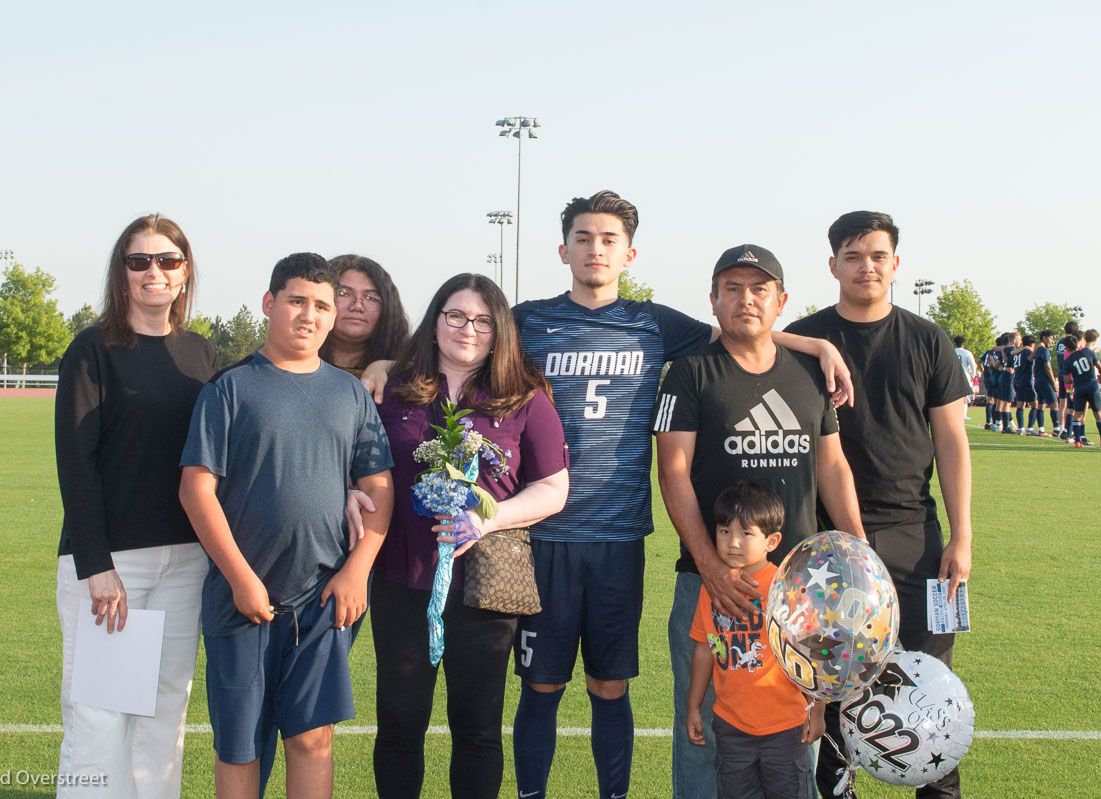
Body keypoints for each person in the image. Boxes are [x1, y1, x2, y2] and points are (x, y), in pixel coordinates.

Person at [360, 191, 852, 798]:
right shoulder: (529, 320)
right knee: (540, 686)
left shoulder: (654, 323)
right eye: (584, 238)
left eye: (609, 240)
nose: (596, 249)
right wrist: (384, 363)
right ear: (563, 249)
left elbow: (742, 330)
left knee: (609, 686)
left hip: (618, 537)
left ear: (630, 253)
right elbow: (461, 332)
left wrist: (816, 345)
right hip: (540, 538)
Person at [179, 252, 394, 799]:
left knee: (312, 739)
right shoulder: (230, 389)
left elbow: (379, 490)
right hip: (241, 599)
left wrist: (356, 571)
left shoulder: (348, 394)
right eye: (297, 301)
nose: (311, 315)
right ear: (270, 304)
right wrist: (240, 577)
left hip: (324, 598)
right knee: (241, 744)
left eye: (324, 304)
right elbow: (196, 488)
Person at [652, 244, 864, 798]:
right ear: (714, 300)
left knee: (796, 730)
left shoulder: (808, 374)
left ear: (781, 300)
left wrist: (859, 548)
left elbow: (832, 463)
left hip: (797, 588)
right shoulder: (690, 373)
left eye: (760, 289)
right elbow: (672, 473)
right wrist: (710, 567)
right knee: (704, 727)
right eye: (733, 288)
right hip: (711, 585)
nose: (746, 299)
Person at [786, 211, 972, 799]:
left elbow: (951, 441)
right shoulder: (806, 338)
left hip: (915, 537)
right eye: (852, 254)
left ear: (895, 263)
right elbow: (745, 336)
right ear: (833, 264)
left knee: (927, 684)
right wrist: (809, 342)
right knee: (836, 685)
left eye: (877, 255)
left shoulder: (926, 338)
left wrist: (962, 534)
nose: (866, 265)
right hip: (830, 544)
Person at [371, 273, 569, 799]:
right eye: (455, 315)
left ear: (499, 330)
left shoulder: (523, 398)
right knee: (398, 724)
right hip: (401, 578)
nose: (468, 329)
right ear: (434, 321)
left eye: (483, 320)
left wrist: (491, 518)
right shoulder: (390, 388)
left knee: (477, 729)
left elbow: (553, 487)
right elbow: (354, 463)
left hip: (484, 586)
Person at [54, 214, 216, 798]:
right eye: (139, 260)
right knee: (100, 718)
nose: (155, 272)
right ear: (121, 272)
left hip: (186, 564)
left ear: (184, 270)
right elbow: (76, 463)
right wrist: (97, 566)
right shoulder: (92, 350)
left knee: (163, 718)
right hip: (113, 566)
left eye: (167, 260)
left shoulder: (201, 354)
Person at [686, 483, 827, 799]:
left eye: (745, 534)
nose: (732, 543)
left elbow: (814, 653)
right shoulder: (711, 589)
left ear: (771, 541)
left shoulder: (787, 589)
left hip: (786, 728)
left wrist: (818, 710)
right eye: (724, 531)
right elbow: (705, 648)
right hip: (731, 728)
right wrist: (694, 706)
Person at [318, 254, 409, 377]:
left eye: (371, 298)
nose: (357, 306)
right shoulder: (290, 364)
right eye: (344, 294)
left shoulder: (407, 375)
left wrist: (389, 366)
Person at [1065, 329, 1101, 448]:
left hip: (1079, 388)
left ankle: (1077, 441)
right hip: (1092, 386)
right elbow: (1100, 366)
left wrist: (1077, 378)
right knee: (1098, 413)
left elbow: (1067, 380)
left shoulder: (1067, 361)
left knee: (1078, 415)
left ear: (1067, 347)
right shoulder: (1088, 352)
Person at [1032, 330, 1059, 437]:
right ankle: (1056, 429)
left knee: (1042, 405)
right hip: (1045, 381)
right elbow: (1048, 367)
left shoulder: (1038, 350)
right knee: (1054, 404)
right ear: (1044, 338)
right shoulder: (1043, 350)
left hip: (1038, 380)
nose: (1052, 341)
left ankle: (1041, 429)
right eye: (1051, 338)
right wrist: (1053, 383)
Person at [1056, 322, 1080, 440]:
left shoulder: (1059, 342)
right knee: (1070, 404)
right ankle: (1068, 430)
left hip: (1061, 372)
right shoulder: (1073, 342)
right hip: (1069, 376)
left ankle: (1061, 428)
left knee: (1062, 403)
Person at [1010, 335, 1037, 434]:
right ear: (1032, 344)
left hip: (1017, 380)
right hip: (1026, 381)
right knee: (1035, 404)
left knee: (1020, 405)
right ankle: (1030, 428)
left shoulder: (1018, 353)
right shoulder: (1028, 352)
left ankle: (1021, 428)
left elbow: (1012, 354)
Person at [953, 335, 977, 420]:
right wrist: (973, 375)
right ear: (963, 343)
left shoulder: (952, 351)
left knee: (954, 396)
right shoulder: (967, 353)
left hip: (954, 375)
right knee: (964, 396)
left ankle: (954, 413)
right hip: (964, 375)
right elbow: (973, 365)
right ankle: (963, 414)